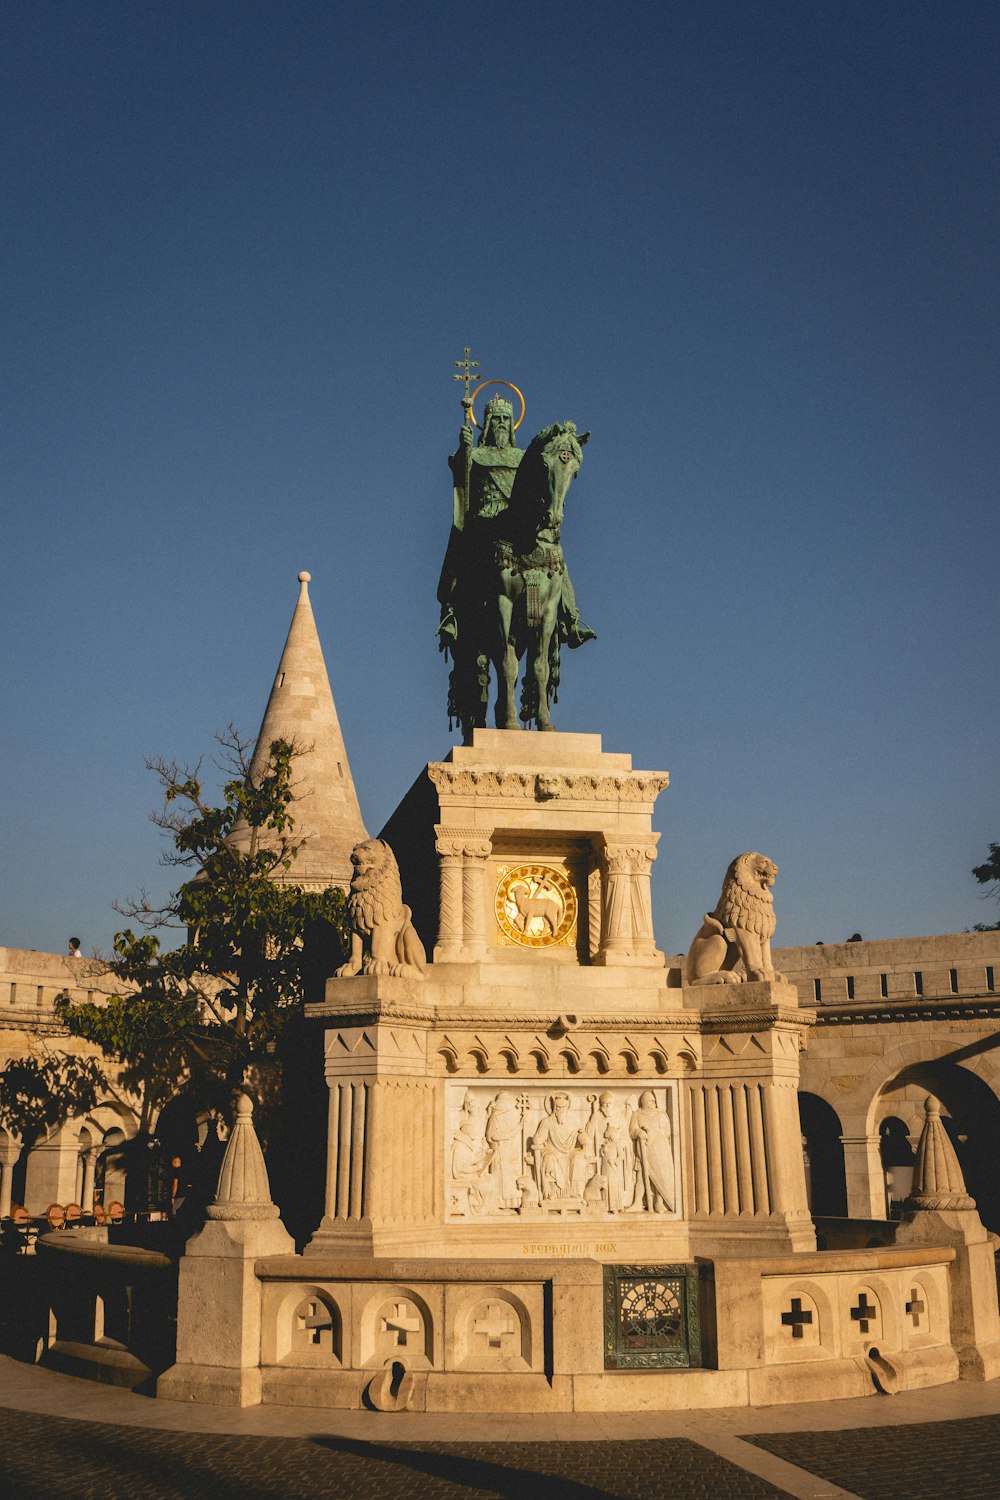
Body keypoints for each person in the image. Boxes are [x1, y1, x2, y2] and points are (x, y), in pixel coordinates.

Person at [627, 1092, 675, 1213]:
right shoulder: (637, 1114)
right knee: (641, 1177)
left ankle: (659, 1202)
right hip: (643, 1150)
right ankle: (637, 1202)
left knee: (659, 1176)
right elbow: (632, 1131)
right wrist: (638, 1132)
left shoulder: (660, 1114)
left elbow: (666, 1132)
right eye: (650, 1101)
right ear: (643, 1102)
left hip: (659, 1150)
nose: (653, 1103)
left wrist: (652, 1132)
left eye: (654, 1101)